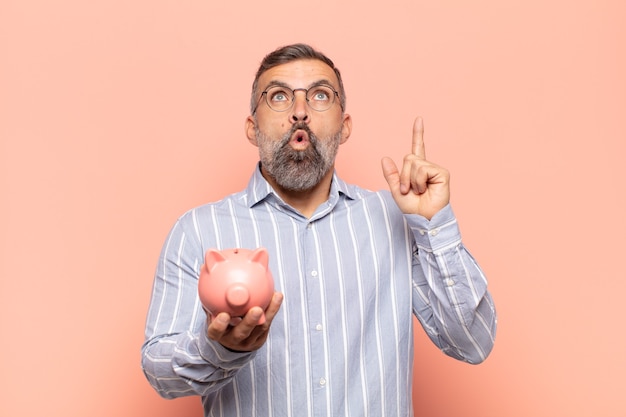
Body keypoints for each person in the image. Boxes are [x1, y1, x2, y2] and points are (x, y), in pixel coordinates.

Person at [141, 43, 497, 416]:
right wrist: (220, 349)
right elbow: (159, 373)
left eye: (320, 96)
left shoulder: (394, 220)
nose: (300, 113)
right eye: (278, 96)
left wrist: (433, 225)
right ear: (252, 128)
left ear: (344, 127)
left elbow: (473, 342)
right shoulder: (199, 231)